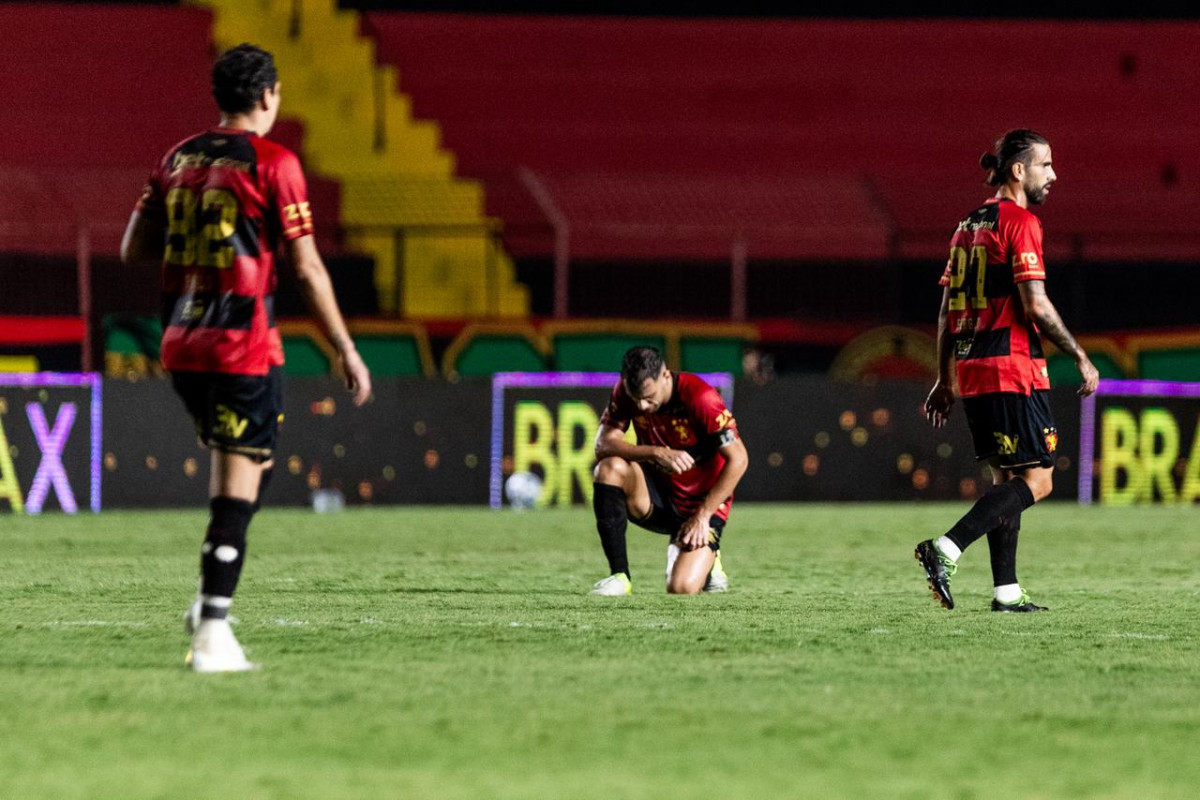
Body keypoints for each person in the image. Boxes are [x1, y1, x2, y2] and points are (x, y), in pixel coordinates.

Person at [120, 44, 371, 671]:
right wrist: (344, 345)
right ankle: (211, 632)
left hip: (181, 341)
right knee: (236, 489)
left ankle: (207, 598)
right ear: (268, 95)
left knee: (245, 471)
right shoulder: (275, 163)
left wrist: (199, 244)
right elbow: (307, 266)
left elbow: (132, 248)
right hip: (242, 346)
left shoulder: (178, 157)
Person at [916, 129, 1098, 612]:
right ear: (1019, 170)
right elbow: (1035, 306)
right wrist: (1079, 354)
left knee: (1006, 480)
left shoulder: (965, 227)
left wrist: (945, 377)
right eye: (1046, 165)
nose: (1053, 175)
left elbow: (944, 311)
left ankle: (1006, 591)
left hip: (974, 368)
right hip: (1012, 367)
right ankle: (946, 548)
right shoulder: (1018, 222)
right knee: (1039, 480)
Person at [590, 347, 748, 596]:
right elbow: (602, 444)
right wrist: (655, 452)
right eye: (635, 397)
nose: (642, 405)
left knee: (681, 588)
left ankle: (710, 557)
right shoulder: (625, 392)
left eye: (648, 396)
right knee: (608, 468)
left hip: (699, 506)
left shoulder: (700, 396)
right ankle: (619, 575)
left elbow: (739, 459)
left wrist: (703, 515)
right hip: (658, 496)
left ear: (665, 375)